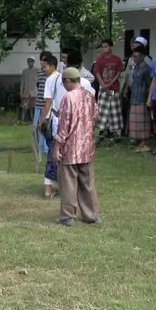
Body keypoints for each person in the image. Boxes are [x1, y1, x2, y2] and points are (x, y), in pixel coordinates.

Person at [39, 54, 95, 199]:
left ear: (66, 63)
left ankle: (50, 188)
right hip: (79, 126)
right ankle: (72, 190)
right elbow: (94, 109)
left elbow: (48, 102)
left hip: (59, 120)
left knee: (55, 155)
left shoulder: (54, 79)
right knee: (76, 159)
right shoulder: (85, 83)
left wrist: (43, 120)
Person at [52, 67, 101, 227]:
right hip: (87, 147)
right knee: (87, 183)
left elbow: (64, 125)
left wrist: (57, 147)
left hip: (71, 148)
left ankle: (67, 216)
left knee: (68, 183)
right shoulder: (90, 96)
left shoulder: (68, 98)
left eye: (63, 83)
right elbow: (95, 118)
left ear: (68, 80)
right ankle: (91, 215)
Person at [95, 39, 124, 141]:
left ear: (111, 47)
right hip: (103, 89)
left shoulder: (117, 60)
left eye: (106, 46)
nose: (104, 49)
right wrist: (103, 85)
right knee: (103, 110)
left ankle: (114, 131)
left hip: (114, 89)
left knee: (114, 110)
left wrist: (110, 84)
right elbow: (98, 73)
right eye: (102, 47)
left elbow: (118, 73)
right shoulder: (99, 60)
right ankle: (103, 131)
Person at [122, 37, 152, 136]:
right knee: (133, 116)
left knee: (142, 117)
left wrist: (149, 96)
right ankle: (134, 136)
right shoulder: (133, 63)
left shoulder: (147, 62)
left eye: (136, 44)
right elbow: (128, 75)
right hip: (133, 92)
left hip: (142, 95)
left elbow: (150, 81)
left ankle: (144, 138)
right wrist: (126, 88)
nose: (133, 46)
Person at [128, 46, 153, 152]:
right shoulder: (136, 67)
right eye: (133, 56)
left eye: (137, 56)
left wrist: (149, 98)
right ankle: (138, 141)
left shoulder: (146, 68)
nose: (135, 59)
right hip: (134, 96)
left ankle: (144, 142)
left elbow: (150, 84)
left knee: (142, 121)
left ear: (143, 57)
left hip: (142, 98)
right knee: (134, 121)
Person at [34, 51, 52, 155]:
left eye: (45, 60)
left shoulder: (51, 74)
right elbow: (38, 85)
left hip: (47, 104)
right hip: (38, 103)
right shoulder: (39, 72)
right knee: (36, 126)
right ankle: (38, 146)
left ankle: (45, 147)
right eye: (41, 60)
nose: (42, 63)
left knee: (45, 126)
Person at [20, 56, 38, 122]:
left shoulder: (37, 70)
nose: (30, 63)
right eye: (28, 61)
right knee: (24, 107)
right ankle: (22, 119)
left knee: (33, 107)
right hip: (26, 92)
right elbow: (22, 83)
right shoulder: (25, 71)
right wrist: (21, 92)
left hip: (34, 92)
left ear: (33, 62)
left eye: (31, 61)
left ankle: (33, 120)